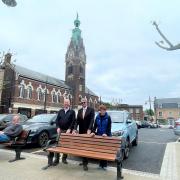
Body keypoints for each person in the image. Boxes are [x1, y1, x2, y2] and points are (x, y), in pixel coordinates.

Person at [73, 98, 95, 171]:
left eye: (84, 102)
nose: (83, 104)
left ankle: (85, 163)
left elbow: (92, 120)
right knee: (82, 147)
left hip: (88, 132)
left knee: (87, 147)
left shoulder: (91, 110)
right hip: (81, 132)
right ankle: (84, 161)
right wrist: (75, 129)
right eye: (82, 103)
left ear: (86, 102)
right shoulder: (79, 111)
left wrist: (89, 129)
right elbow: (77, 121)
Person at [53, 98, 76, 165]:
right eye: (65, 102)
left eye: (67, 102)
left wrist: (69, 129)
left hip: (67, 131)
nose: (66, 103)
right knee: (57, 145)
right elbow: (57, 120)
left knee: (65, 145)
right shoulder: (60, 111)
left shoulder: (72, 112)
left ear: (69, 103)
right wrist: (57, 127)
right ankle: (56, 159)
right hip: (60, 130)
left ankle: (64, 159)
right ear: (64, 103)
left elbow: (73, 121)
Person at [91, 104, 112, 170]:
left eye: (103, 110)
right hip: (99, 135)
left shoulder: (108, 117)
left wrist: (106, 133)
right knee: (100, 151)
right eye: (101, 110)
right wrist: (93, 132)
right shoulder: (97, 117)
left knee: (105, 151)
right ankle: (100, 165)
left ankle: (104, 165)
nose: (102, 111)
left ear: (105, 110)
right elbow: (95, 126)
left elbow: (109, 127)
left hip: (106, 136)